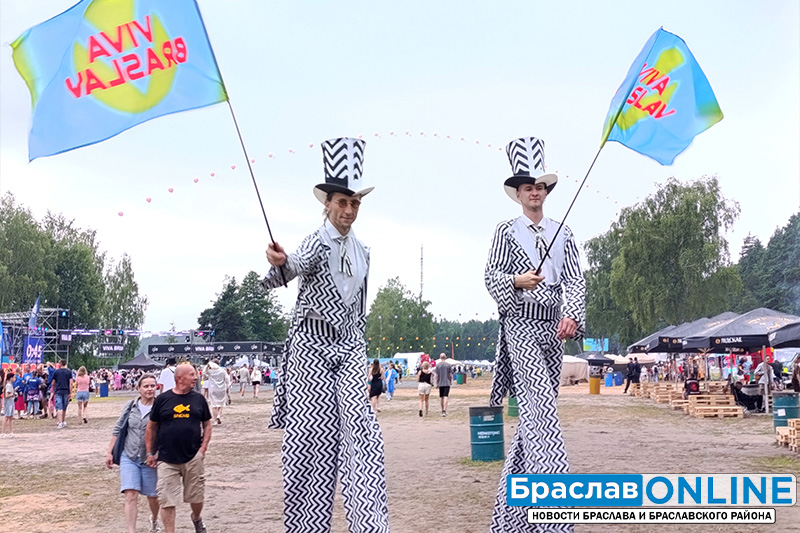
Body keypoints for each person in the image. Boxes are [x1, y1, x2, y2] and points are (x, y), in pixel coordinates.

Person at [262, 137, 390, 533]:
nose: (349, 210)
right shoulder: (316, 241)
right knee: (309, 440)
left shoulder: (364, 250)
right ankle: (306, 525)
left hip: (349, 344)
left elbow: (360, 304)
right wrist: (280, 263)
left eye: (355, 204)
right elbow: (292, 266)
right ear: (328, 204)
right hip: (311, 346)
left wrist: (359, 342)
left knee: (361, 428)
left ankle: (369, 524)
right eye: (342, 203)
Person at [485, 137, 585, 532]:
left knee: (535, 417)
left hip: (553, 329)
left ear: (546, 191)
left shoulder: (564, 232)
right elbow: (490, 276)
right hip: (520, 325)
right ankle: (555, 511)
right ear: (518, 194)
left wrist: (572, 315)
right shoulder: (506, 231)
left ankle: (511, 518)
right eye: (528, 187)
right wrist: (516, 281)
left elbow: (575, 279)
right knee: (540, 409)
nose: (535, 192)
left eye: (540, 186)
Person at [146, 364, 212, 533]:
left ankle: (196, 517)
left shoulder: (199, 399)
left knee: (196, 496)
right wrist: (150, 453)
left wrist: (202, 449)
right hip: (166, 458)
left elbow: (207, 424)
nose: (196, 377)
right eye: (192, 374)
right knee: (166, 499)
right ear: (179, 378)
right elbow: (151, 427)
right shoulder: (163, 399)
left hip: (193, 456)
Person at [106, 374, 161, 533]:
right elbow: (118, 428)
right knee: (130, 494)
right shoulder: (131, 406)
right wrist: (109, 452)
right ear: (139, 388)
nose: (149, 389)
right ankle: (131, 530)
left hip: (150, 458)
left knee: (153, 496)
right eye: (146, 386)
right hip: (129, 456)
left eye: (152, 386)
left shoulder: (160, 407)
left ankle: (154, 519)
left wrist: (157, 454)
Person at [203, 360, 230, 425]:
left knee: (214, 405)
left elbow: (204, 373)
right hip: (222, 389)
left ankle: (215, 420)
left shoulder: (210, 371)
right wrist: (227, 387)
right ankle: (219, 415)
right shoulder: (222, 371)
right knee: (221, 403)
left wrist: (208, 365)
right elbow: (227, 380)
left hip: (213, 389)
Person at [52, 359, 74, 429]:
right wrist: (70, 392)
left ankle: (60, 422)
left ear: (61, 363)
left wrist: (54, 389)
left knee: (59, 407)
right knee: (64, 407)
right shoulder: (69, 372)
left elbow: (53, 382)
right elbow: (71, 383)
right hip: (66, 391)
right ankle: (63, 421)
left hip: (58, 391)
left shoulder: (56, 372)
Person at [2, 371, 15, 438]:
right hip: (8, 403)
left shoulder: (10, 385)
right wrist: (13, 394)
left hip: (11, 402)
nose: (14, 378)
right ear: (11, 378)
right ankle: (3, 432)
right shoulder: (8, 385)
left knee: (11, 417)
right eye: (13, 377)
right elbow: (7, 395)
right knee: (6, 417)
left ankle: (11, 432)